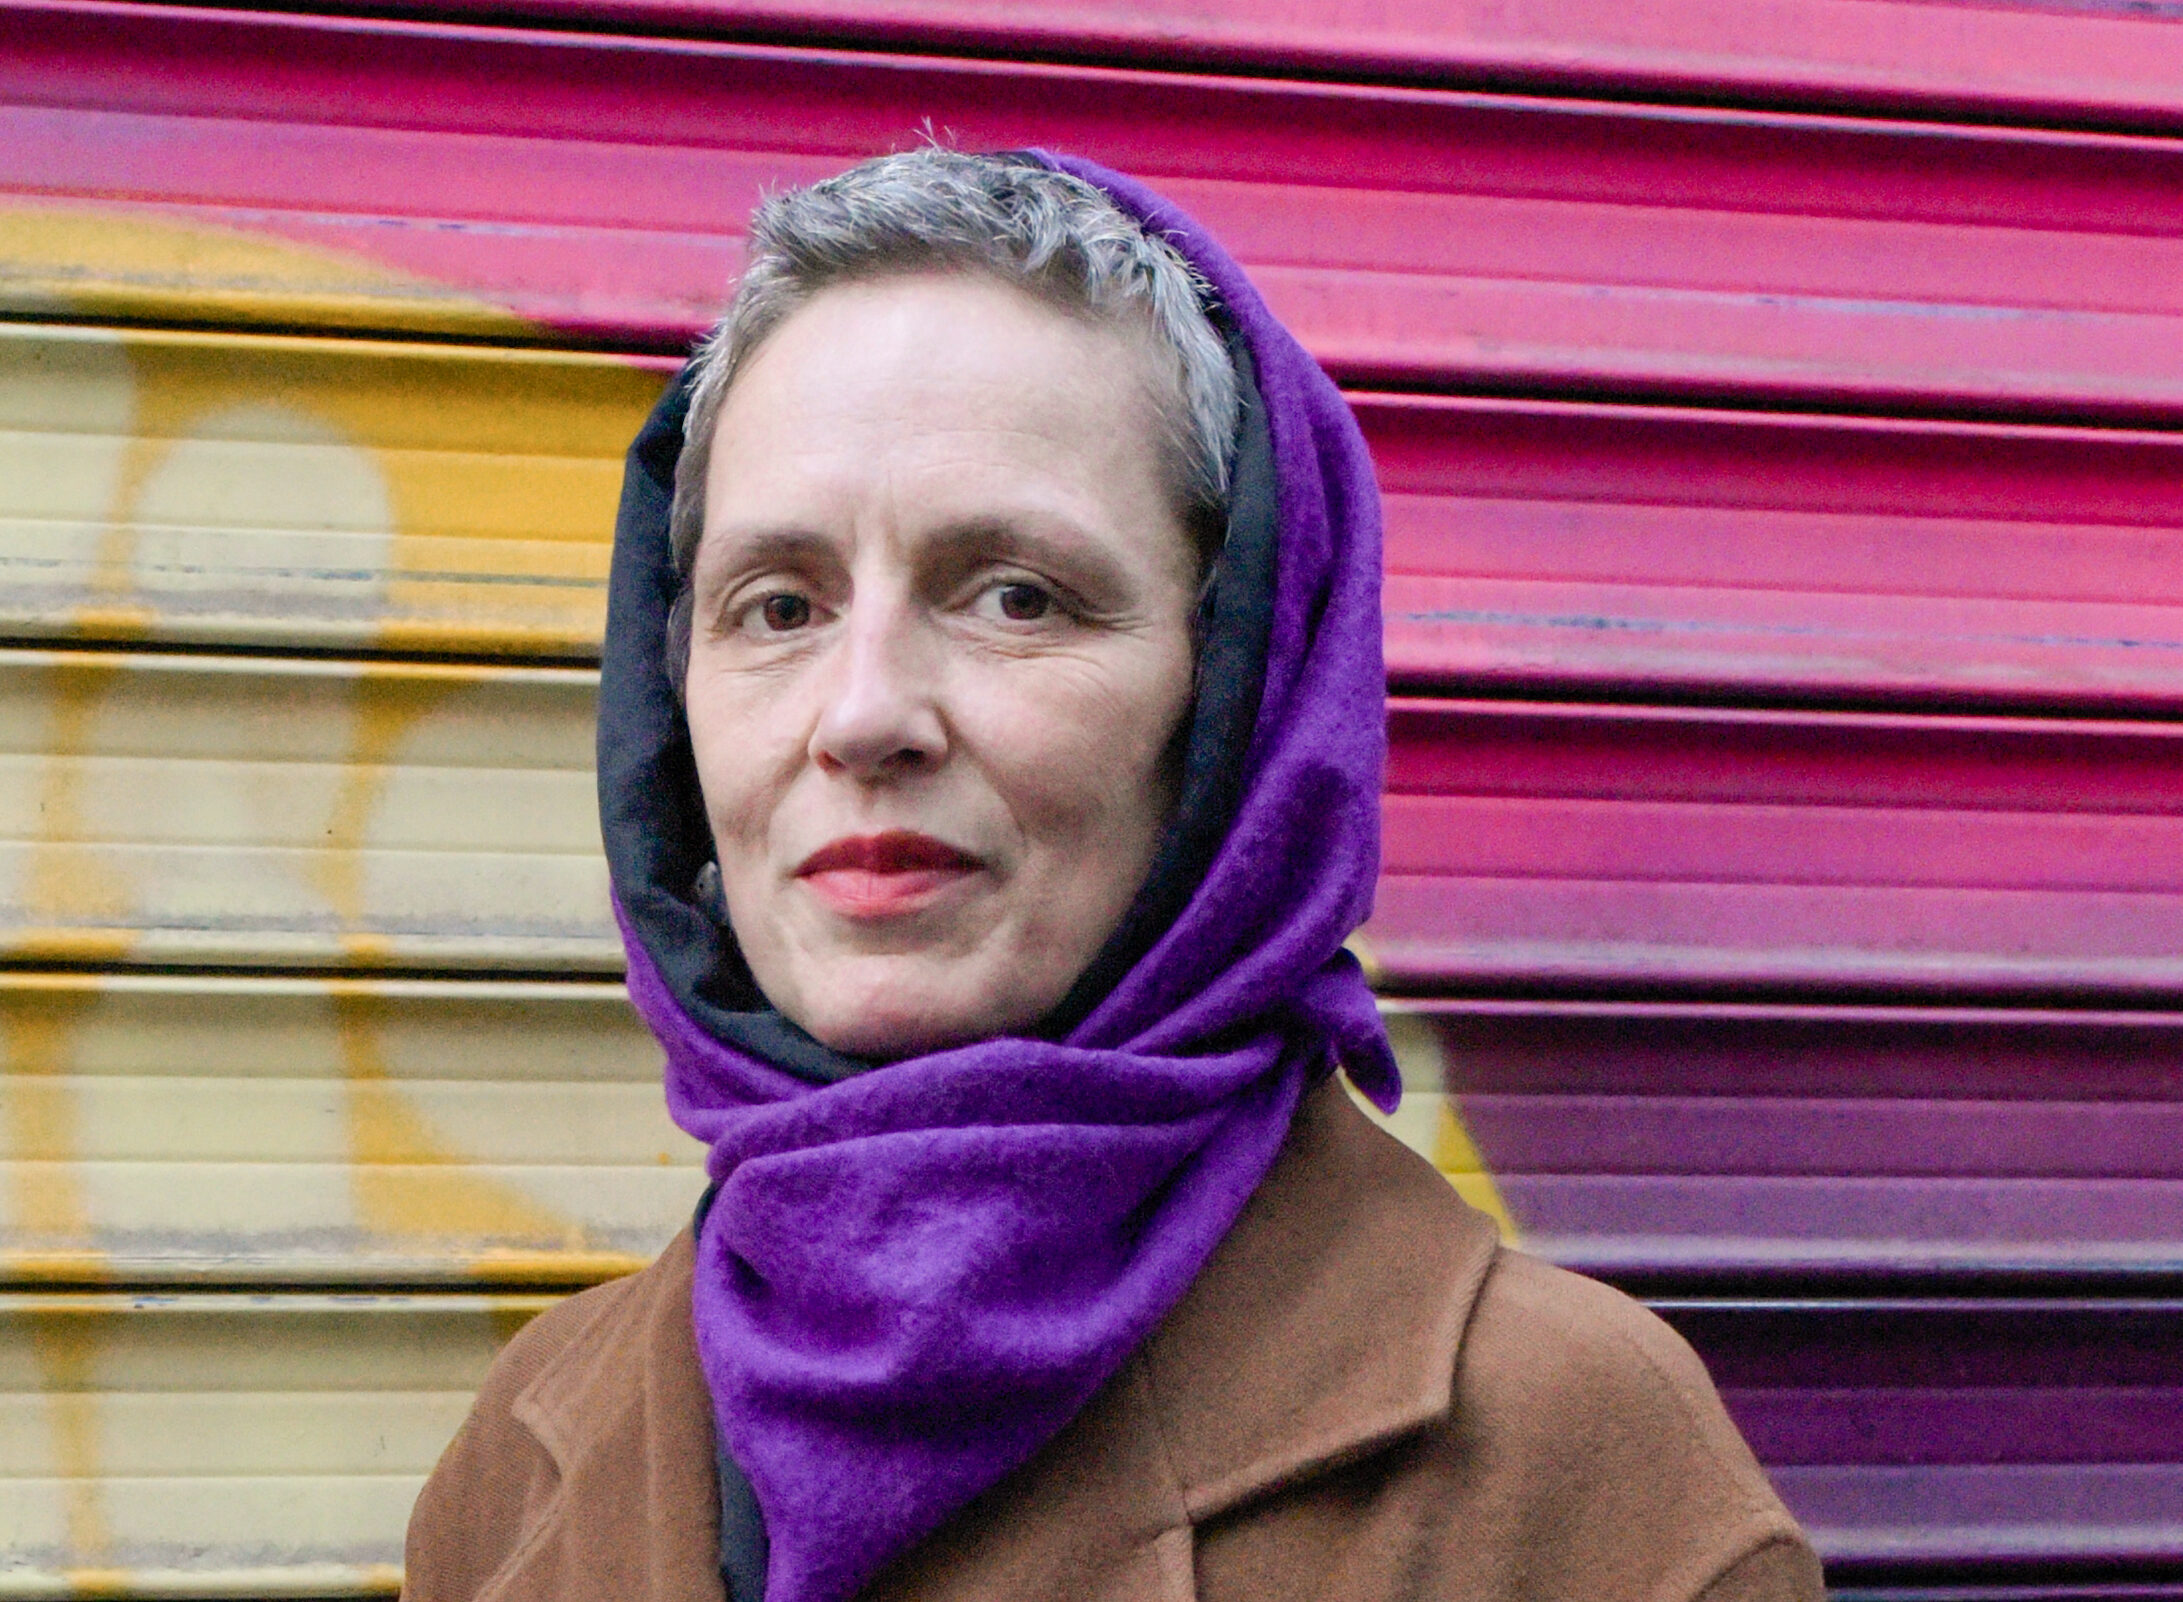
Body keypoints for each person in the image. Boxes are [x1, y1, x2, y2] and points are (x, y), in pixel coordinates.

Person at [402, 149, 1820, 1602]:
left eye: (1017, 596)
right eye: (777, 607)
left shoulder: (1574, 1477)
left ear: (1241, 698)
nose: (864, 714)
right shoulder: (519, 1470)